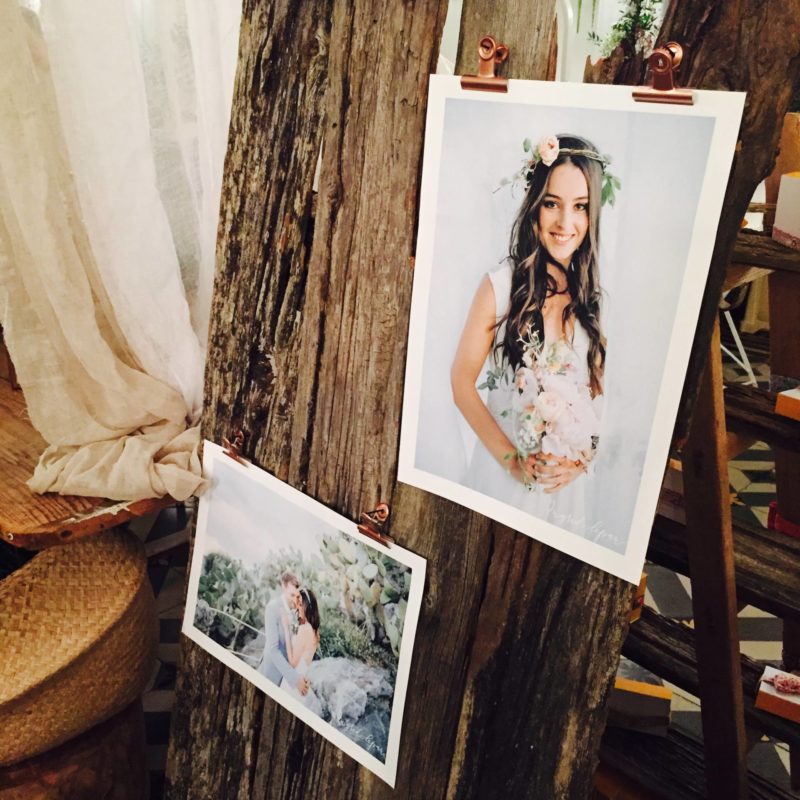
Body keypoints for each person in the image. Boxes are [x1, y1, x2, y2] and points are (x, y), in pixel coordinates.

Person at [452, 133, 609, 528]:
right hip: (504, 481)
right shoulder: (500, 286)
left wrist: (581, 461)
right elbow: (461, 384)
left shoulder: (591, 300)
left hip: (566, 494)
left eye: (580, 207)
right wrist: (511, 461)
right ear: (534, 204)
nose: (565, 223)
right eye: (552, 203)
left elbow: (598, 397)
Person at [258, 571, 309, 696]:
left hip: (286, 677)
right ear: (283, 587)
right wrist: (295, 679)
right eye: (291, 595)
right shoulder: (272, 608)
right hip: (270, 674)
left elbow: (294, 642)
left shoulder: (296, 611)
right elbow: (273, 650)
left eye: (296, 595)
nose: (294, 599)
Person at [279, 587, 323, 714]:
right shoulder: (314, 631)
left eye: (299, 604)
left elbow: (293, 662)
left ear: (306, 606)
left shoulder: (305, 629)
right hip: (301, 680)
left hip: (292, 683)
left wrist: (286, 629)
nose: (297, 607)